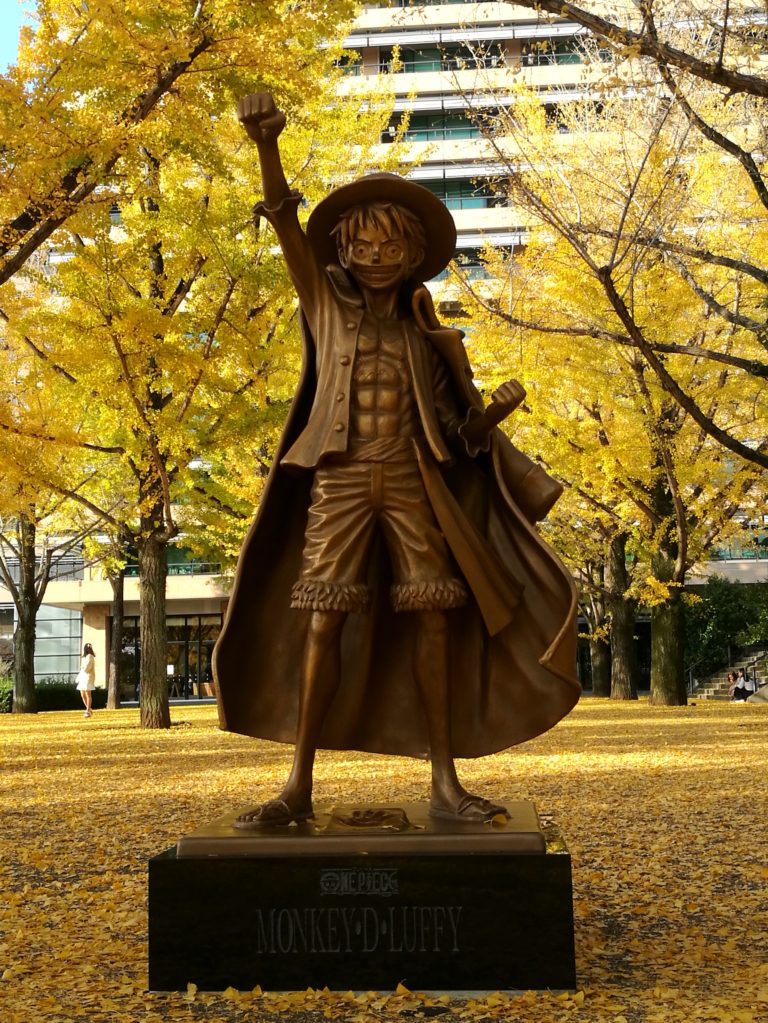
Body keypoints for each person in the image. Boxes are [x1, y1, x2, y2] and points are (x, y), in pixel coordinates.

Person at [213, 92, 580, 827]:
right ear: (343, 252)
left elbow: (460, 438)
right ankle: (298, 786)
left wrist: (490, 415)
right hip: (341, 478)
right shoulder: (324, 303)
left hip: (414, 481)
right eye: (363, 247)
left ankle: (445, 782)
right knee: (321, 622)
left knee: (436, 619)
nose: (377, 258)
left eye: (391, 248)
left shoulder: (428, 334)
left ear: (413, 256)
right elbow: (285, 219)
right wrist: (266, 145)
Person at [76, 643, 96, 717]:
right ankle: (89, 708)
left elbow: (87, 668)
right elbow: (82, 668)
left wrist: (84, 668)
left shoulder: (90, 657)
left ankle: (87, 710)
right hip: (82, 676)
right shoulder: (84, 657)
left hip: (88, 676)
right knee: (82, 694)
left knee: (88, 693)